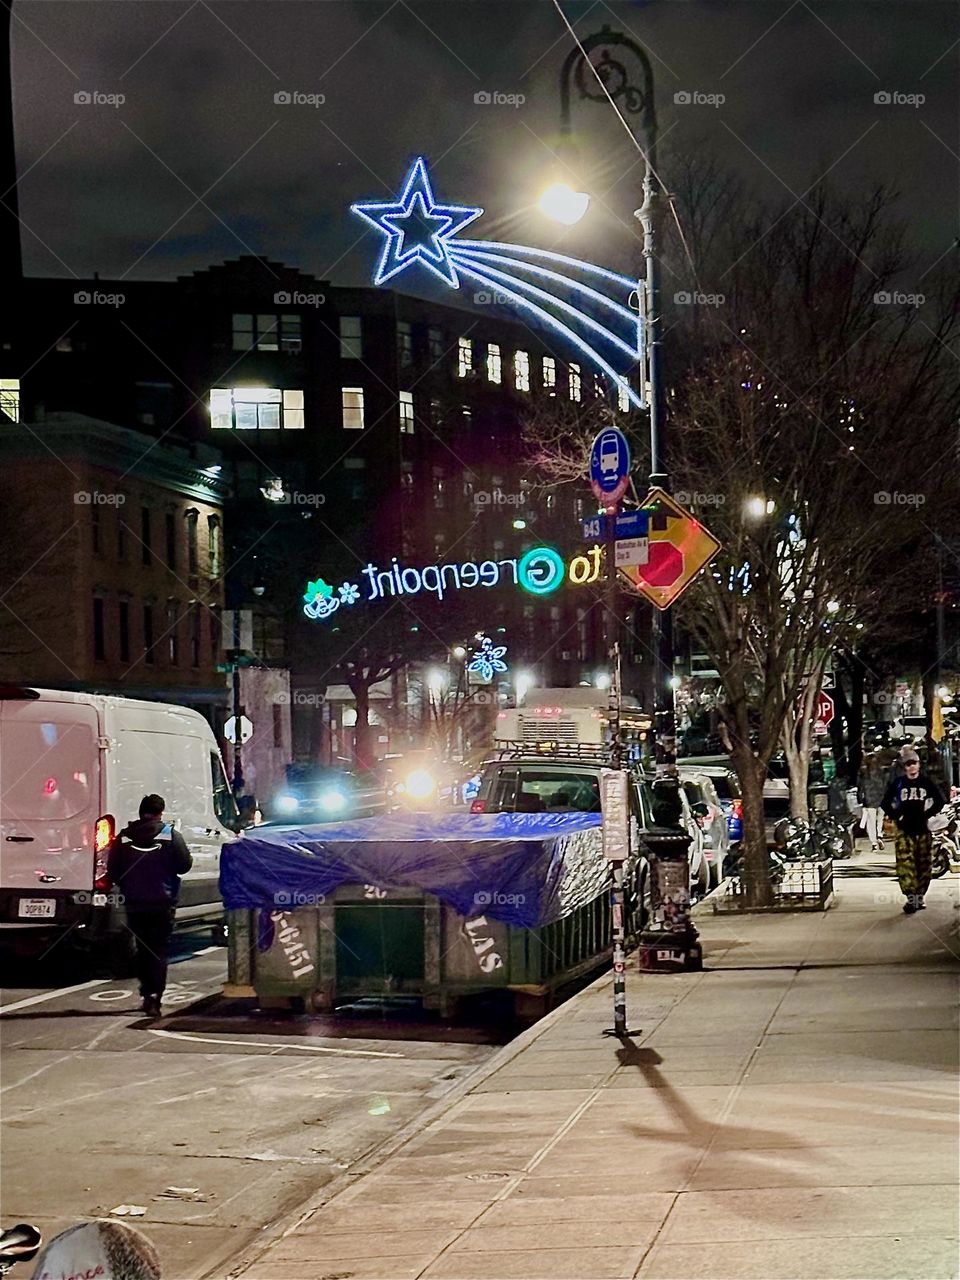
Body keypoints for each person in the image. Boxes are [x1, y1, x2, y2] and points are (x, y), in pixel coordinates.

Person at [107, 794, 192, 1014]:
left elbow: (113, 869)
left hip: (135, 902)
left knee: (142, 947)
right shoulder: (170, 835)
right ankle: (155, 995)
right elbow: (184, 865)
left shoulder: (124, 837)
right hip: (162, 901)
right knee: (159, 949)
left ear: (140, 812)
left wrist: (127, 884)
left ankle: (146, 992)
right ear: (160, 813)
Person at [881, 748, 945, 913]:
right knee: (905, 865)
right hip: (904, 831)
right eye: (908, 764)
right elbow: (885, 802)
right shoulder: (899, 783)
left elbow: (940, 801)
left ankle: (919, 896)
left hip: (922, 830)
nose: (911, 767)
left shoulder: (926, 783)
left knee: (924, 865)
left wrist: (927, 815)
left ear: (919, 765)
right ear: (904, 767)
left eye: (914, 763)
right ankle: (911, 898)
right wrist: (897, 816)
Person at [858, 752, 888, 851]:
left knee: (871, 822)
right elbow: (886, 785)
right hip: (881, 798)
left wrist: (860, 799)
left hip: (869, 799)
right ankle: (879, 834)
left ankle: (874, 842)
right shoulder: (882, 772)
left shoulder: (863, 773)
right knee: (880, 818)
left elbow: (860, 787)